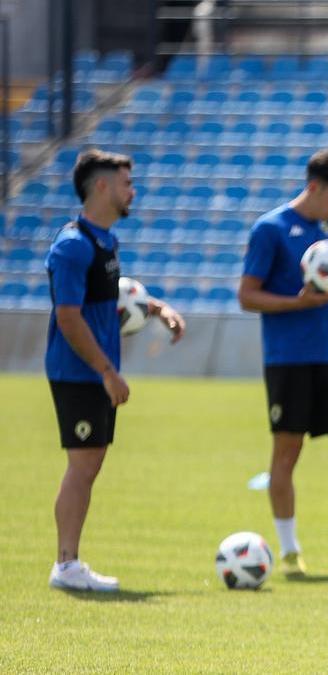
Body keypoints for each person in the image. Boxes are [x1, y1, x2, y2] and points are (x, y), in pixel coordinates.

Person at [46, 149, 186, 592]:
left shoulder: (105, 240)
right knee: (82, 465)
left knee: (90, 464)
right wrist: (107, 371)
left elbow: (112, 299)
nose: (133, 191)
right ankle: (66, 564)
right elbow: (68, 317)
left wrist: (157, 308)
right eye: (127, 183)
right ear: (102, 186)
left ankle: (69, 561)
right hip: (78, 372)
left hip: (95, 372)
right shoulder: (72, 245)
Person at [237, 149, 328, 579]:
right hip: (288, 360)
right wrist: (298, 303)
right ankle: (289, 551)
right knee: (287, 452)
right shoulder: (271, 229)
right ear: (313, 187)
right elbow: (247, 295)